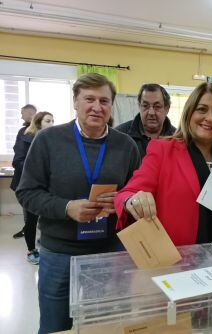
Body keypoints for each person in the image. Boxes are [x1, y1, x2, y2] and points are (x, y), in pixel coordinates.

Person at [16, 73, 141, 333]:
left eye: (104, 101)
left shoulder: (126, 145)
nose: (97, 107)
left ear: (111, 105)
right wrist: (66, 208)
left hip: (108, 253)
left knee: (103, 327)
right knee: (55, 326)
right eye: (89, 99)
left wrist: (122, 201)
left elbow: (135, 192)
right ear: (75, 101)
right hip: (59, 253)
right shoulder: (48, 140)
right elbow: (27, 192)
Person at [115, 82, 212, 250]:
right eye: (202, 109)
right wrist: (131, 200)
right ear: (190, 112)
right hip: (179, 263)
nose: (209, 118)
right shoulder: (163, 150)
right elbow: (125, 195)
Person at [14, 111, 54, 264]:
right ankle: (31, 250)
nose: (51, 124)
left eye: (52, 121)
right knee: (30, 221)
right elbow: (18, 161)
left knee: (46, 217)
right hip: (29, 187)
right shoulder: (25, 137)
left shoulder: (51, 139)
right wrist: (37, 170)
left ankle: (43, 243)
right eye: (48, 121)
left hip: (47, 186)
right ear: (39, 123)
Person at [115, 83, 176, 157]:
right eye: (145, 106)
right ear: (139, 106)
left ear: (166, 109)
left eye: (157, 106)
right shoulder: (120, 135)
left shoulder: (178, 139)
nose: (151, 112)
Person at [10, 104, 37, 239]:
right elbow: (18, 158)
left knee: (32, 211)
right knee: (28, 210)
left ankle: (29, 231)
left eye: (22, 113)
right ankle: (28, 230)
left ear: (30, 113)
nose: (21, 116)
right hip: (25, 178)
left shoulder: (39, 132)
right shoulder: (24, 132)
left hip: (32, 180)